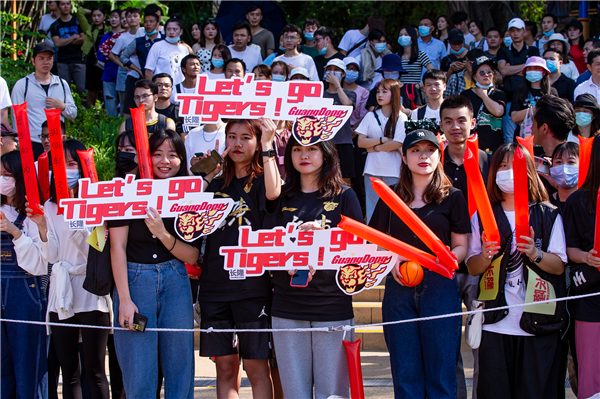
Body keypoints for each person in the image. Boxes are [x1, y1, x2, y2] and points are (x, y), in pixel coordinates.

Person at [370, 128, 470, 398]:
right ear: (403, 157)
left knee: (441, 374)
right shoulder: (390, 196)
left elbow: (462, 246)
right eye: (415, 150)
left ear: (439, 155)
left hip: (440, 287)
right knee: (405, 373)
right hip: (399, 289)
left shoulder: (453, 196)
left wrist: (446, 259)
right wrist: (391, 259)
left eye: (429, 150)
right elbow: (374, 241)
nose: (423, 156)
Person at [466, 142, 567, 399]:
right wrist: (486, 255)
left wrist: (535, 253)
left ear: (529, 171)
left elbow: (558, 266)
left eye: (516, 166)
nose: (508, 172)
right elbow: (472, 266)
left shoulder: (548, 215)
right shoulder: (483, 215)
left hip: (538, 322)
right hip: (495, 323)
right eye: (502, 166)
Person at [267, 136, 361, 399]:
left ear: (327, 154)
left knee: (333, 393)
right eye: (297, 149)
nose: (303, 155)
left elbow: (360, 247)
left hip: (332, 305)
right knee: (295, 392)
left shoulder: (345, 195)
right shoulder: (280, 195)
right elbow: (266, 243)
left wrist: (326, 234)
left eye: (312, 149)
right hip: (287, 306)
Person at [109, 129, 200, 397]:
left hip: (176, 280)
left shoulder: (188, 195)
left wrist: (162, 233)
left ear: (182, 160)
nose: (165, 161)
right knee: (139, 371)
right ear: (144, 158)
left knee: (180, 367)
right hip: (135, 282)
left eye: (173, 155)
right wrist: (124, 300)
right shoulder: (124, 191)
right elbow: (117, 246)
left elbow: (193, 256)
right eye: (157, 153)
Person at [199, 118, 279, 399]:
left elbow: (274, 193)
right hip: (214, 286)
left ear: (257, 143)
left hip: (252, 287)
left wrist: (269, 144)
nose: (237, 143)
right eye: (231, 136)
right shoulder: (216, 183)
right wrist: (207, 175)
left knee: (257, 368)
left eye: (246, 137)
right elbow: (190, 221)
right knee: (225, 368)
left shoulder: (262, 179)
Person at [43, 139, 111, 398]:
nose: (65, 170)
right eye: (60, 165)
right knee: (67, 369)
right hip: (61, 289)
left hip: (90, 289)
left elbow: (97, 249)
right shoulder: (49, 206)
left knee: (94, 370)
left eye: (72, 164)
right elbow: (50, 256)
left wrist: (77, 220)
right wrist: (41, 227)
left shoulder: (98, 203)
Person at [439, 95, 490, 399]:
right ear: (441, 125)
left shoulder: (486, 159)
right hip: (443, 262)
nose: (455, 126)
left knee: (483, 339)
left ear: (472, 123)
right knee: (446, 343)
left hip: (481, 262)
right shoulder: (432, 159)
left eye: (461, 120)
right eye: (448, 121)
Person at [0, 151, 49, 399]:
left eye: (7, 175)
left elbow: (40, 265)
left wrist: (15, 233)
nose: (2, 179)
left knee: (28, 366)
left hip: (24, 294)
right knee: (2, 370)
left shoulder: (33, 214)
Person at [564, 135, 600, 399]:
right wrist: (587, 258)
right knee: (590, 375)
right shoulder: (578, 201)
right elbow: (568, 249)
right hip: (589, 299)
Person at [11, 42, 76, 159]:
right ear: (33, 61)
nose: (46, 62)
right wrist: (21, 144)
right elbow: (17, 118)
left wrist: (61, 106)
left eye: (49, 58)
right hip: (33, 143)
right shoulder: (22, 85)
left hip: (57, 143)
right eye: (41, 58)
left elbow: (73, 114)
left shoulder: (61, 83)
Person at [355, 78, 407, 222]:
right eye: (378, 91)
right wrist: (382, 140)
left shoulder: (401, 117)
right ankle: (373, 242)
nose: (380, 95)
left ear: (394, 94)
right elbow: (360, 142)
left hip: (394, 170)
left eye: (385, 91)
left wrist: (374, 148)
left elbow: (397, 143)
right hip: (372, 169)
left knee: (394, 209)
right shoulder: (370, 115)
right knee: (372, 208)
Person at [497, 17, 540, 144]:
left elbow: (533, 71)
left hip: (530, 97)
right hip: (509, 99)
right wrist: (525, 66)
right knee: (509, 139)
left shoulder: (533, 50)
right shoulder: (503, 50)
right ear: (509, 33)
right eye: (512, 31)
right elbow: (503, 70)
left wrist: (511, 69)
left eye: (518, 30)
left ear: (525, 32)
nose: (515, 33)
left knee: (532, 138)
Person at [118, 12, 163, 117]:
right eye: (145, 22)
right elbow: (123, 57)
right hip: (141, 80)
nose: (148, 24)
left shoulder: (164, 40)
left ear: (157, 24)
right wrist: (137, 70)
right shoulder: (138, 41)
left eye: (151, 22)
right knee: (132, 109)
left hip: (160, 82)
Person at [461, 54, 506, 153]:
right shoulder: (466, 95)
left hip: (494, 148)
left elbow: (498, 112)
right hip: (471, 145)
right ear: (474, 76)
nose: (486, 75)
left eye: (489, 72)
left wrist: (483, 95)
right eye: (481, 72)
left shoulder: (499, 94)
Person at [322, 59, 356, 185]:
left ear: (343, 74)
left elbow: (347, 105)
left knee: (345, 178)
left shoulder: (349, 94)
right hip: (325, 141)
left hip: (344, 142)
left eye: (336, 70)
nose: (332, 72)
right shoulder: (320, 94)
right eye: (329, 69)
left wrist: (337, 85)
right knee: (324, 177)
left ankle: (346, 203)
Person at [510, 56, 555, 139]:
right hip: (523, 138)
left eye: (536, 68)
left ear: (544, 72)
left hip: (545, 139)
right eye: (529, 68)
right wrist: (536, 108)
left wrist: (523, 117)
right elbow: (514, 117)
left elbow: (553, 117)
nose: (532, 71)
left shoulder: (551, 93)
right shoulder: (520, 92)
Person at [50, 0, 86, 96]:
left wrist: (64, 41)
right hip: (62, 61)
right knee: (64, 90)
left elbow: (83, 39)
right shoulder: (55, 25)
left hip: (79, 60)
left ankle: (83, 110)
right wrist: (74, 37)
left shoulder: (78, 21)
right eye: (62, 4)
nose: (66, 6)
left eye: (68, 4)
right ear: (58, 6)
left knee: (82, 89)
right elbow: (57, 43)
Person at [109, 8, 141, 117]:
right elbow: (112, 55)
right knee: (126, 104)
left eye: (135, 16)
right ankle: (125, 128)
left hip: (144, 73)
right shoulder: (122, 37)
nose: (132, 18)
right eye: (129, 16)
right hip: (126, 73)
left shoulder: (144, 33)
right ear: (125, 19)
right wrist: (124, 65)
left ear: (140, 18)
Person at [145, 17, 191, 85]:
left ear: (181, 31)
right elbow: (148, 71)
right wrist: (154, 89)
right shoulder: (157, 46)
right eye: (168, 29)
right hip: (162, 89)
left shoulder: (184, 49)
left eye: (175, 29)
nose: (171, 32)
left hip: (180, 89)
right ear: (164, 31)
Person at [76, 5, 106, 108]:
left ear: (104, 16)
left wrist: (109, 19)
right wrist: (92, 10)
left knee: (106, 93)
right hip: (92, 62)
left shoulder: (109, 29)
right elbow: (80, 12)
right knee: (92, 93)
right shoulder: (89, 28)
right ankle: (91, 117)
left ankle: (106, 118)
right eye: (94, 16)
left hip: (106, 62)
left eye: (99, 15)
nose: (96, 18)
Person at [97, 9, 125, 117]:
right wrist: (113, 56)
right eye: (111, 16)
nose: (113, 19)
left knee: (124, 102)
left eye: (116, 17)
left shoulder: (127, 35)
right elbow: (100, 55)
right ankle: (111, 126)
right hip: (109, 74)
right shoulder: (106, 36)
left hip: (123, 74)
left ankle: (123, 126)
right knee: (110, 102)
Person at [171, 55, 202, 133]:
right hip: (181, 129)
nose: (196, 67)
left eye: (197, 64)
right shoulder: (175, 89)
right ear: (183, 69)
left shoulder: (206, 89)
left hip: (202, 128)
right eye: (192, 64)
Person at [548, 142, 579, 213]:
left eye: (571, 162)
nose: (564, 167)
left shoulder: (589, 203)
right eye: (559, 162)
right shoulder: (545, 205)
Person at [343, 57, 369, 127]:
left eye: (355, 69)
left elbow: (363, 115)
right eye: (348, 68)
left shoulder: (364, 92)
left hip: (355, 129)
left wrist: (354, 129)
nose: (351, 71)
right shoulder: (335, 89)